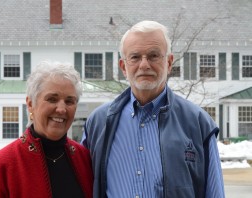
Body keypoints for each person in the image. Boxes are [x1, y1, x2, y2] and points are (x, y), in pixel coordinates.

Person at [82, 20, 225, 198]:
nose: (144, 65)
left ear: (169, 62)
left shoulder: (197, 122)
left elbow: (214, 192)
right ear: (123, 67)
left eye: (153, 56)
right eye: (135, 57)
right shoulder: (99, 122)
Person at [0, 61, 93, 198]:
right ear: (30, 104)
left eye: (69, 101)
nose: (61, 109)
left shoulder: (85, 160)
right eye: (52, 99)